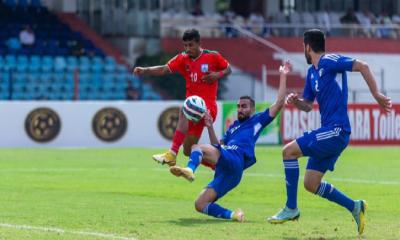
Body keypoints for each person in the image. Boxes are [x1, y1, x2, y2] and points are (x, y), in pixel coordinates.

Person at [267, 29, 392, 235]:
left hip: (337, 130)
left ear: (307, 46)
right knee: (310, 183)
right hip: (330, 131)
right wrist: (297, 101)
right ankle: (355, 206)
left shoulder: (329, 60)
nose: (303, 51)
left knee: (288, 152)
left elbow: (363, 66)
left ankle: (291, 208)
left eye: (303, 47)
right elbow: (308, 105)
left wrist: (377, 94)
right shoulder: (312, 73)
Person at [169, 61, 291, 221]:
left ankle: (191, 169)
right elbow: (217, 146)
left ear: (252, 109)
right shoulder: (232, 128)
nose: (240, 109)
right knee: (200, 204)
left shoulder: (257, 120)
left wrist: (283, 76)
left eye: (244, 106)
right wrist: (210, 126)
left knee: (195, 147)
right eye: (239, 106)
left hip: (236, 158)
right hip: (229, 172)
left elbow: (280, 103)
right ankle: (234, 215)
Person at [133, 29, 231, 169]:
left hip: (207, 107)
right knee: (188, 150)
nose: (187, 49)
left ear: (198, 43)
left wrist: (217, 75)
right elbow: (164, 69)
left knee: (184, 109)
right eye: (185, 45)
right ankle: (218, 166)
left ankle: (172, 154)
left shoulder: (212, 56)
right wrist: (145, 70)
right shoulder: (182, 58)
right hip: (193, 108)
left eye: (191, 45)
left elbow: (228, 69)